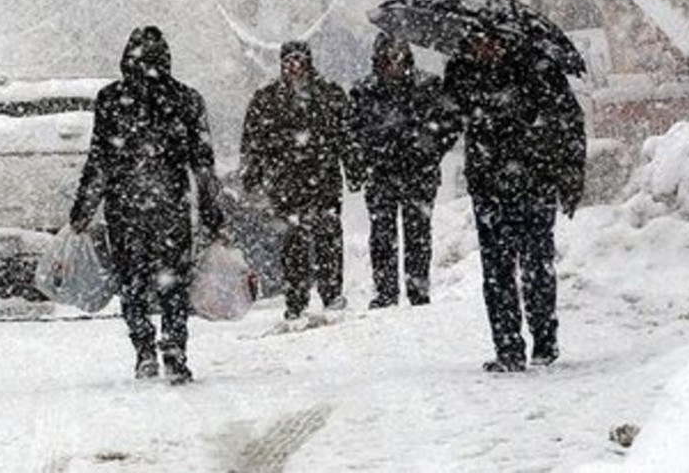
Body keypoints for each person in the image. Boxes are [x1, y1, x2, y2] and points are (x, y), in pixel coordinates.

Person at [70, 26, 226, 385]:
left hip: (126, 208)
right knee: (173, 284)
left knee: (133, 283)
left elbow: (100, 161)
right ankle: (174, 349)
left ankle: (144, 350)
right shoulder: (186, 99)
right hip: (170, 207)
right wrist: (213, 215)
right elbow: (202, 165)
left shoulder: (111, 100)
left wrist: (83, 210)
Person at [445, 29, 586, 372]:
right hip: (489, 187)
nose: (484, 47)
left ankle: (544, 341)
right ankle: (508, 347)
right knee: (496, 272)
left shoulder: (537, 68)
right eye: (476, 41)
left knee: (536, 266)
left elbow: (569, 121)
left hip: (533, 183)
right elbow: (446, 122)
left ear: (504, 40)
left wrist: (570, 174)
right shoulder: (463, 73)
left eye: (490, 40)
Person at [240, 40, 358, 321]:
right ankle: (295, 299)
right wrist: (251, 174)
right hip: (285, 181)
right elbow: (252, 141)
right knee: (293, 242)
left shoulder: (329, 94)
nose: (294, 67)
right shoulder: (267, 98)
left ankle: (331, 294)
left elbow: (347, 136)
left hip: (323, 178)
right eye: (289, 61)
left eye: (299, 60)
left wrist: (353, 168)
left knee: (327, 236)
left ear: (308, 62)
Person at [349, 34, 459, 309]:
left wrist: (431, 151)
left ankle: (418, 289)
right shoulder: (363, 91)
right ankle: (386, 292)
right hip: (381, 174)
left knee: (418, 233)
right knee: (382, 235)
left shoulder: (429, 86)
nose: (393, 62)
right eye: (387, 56)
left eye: (397, 55)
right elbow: (352, 131)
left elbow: (451, 124)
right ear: (378, 60)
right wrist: (366, 157)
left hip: (418, 173)